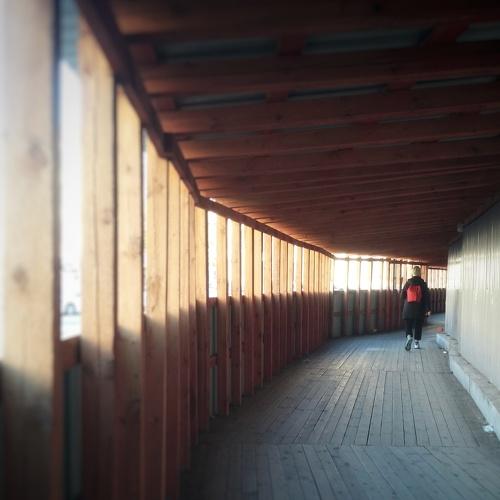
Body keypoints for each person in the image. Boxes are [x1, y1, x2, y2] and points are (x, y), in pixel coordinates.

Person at [401, 266, 431, 350]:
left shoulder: (408, 283)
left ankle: (409, 336)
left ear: (412, 273)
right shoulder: (423, 284)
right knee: (418, 325)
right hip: (419, 308)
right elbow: (427, 297)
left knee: (408, 324)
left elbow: (402, 296)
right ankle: (416, 343)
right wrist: (428, 309)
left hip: (408, 308)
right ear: (420, 273)